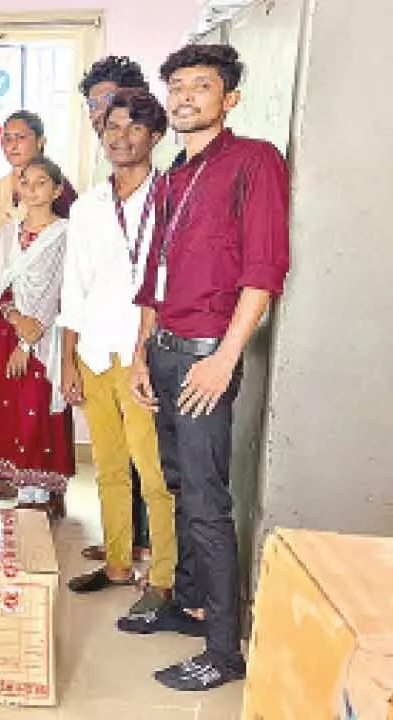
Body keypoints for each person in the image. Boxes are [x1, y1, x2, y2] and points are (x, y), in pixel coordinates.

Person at [123, 45, 289, 692]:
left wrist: (224, 359)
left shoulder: (254, 162)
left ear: (230, 99)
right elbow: (152, 279)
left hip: (204, 362)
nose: (186, 96)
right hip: (163, 353)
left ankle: (223, 649)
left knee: (207, 504)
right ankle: (188, 606)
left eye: (203, 85)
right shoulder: (171, 174)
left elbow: (265, 269)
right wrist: (142, 350)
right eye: (178, 86)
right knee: (175, 485)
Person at [58, 89, 176, 617]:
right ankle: (117, 565)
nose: (120, 137)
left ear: (155, 135)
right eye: (111, 128)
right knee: (107, 467)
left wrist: (147, 351)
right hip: (94, 350)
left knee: (152, 473)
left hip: (141, 353)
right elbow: (73, 288)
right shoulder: (88, 205)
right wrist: (67, 360)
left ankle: (166, 580)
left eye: (133, 128)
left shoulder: (171, 196)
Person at [79, 56, 161, 564]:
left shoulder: (163, 188)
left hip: (145, 342)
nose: (101, 115)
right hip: (100, 341)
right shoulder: (96, 183)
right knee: (113, 459)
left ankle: (153, 550)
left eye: (109, 102)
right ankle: (122, 546)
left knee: (149, 459)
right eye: (93, 106)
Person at [0, 157, 75, 514]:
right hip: (6, 331)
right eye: (26, 182)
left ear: (57, 191)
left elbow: (61, 288)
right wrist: (11, 315)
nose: (32, 189)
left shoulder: (65, 234)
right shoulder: (8, 233)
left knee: (36, 404)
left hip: (43, 336)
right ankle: (7, 479)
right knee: (4, 404)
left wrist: (28, 339)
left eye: (42, 183)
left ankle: (38, 491)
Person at [81, 55, 181, 183]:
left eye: (109, 100)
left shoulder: (174, 162)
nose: (99, 112)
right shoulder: (102, 169)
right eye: (92, 105)